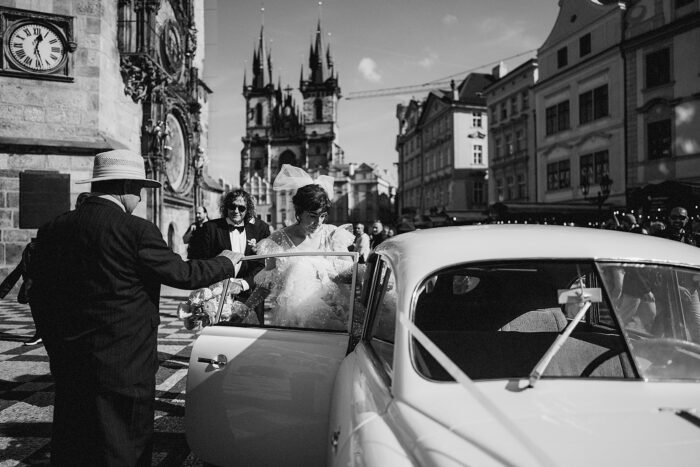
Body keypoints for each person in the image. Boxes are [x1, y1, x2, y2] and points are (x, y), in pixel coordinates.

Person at [29, 149, 242, 466]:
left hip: (71, 363)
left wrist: (56, 345)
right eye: (140, 189)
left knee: (74, 446)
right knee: (123, 449)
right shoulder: (136, 230)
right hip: (124, 366)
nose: (141, 199)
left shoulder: (54, 228)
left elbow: (38, 295)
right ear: (125, 185)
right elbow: (183, 274)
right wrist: (225, 262)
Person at [232, 164, 355, 329]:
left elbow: (350, 276)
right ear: (299, 212)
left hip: (337, 314)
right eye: (312, 216)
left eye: (323, 216)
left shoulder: (333, 235)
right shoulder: (278, 239)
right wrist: (245, 310)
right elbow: (267, 283)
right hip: (295, 318)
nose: (318, 222)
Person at [188, 189, 271, 322]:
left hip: (249, 294)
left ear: (247, 209)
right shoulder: (210, 228)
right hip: (218, 296)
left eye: (241, 207)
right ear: (226, 207)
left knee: (251, 338)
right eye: (232, 206)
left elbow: (260, 265)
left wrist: (243, 284)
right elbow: (202, 261)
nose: (236, 211)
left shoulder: (257, 231)